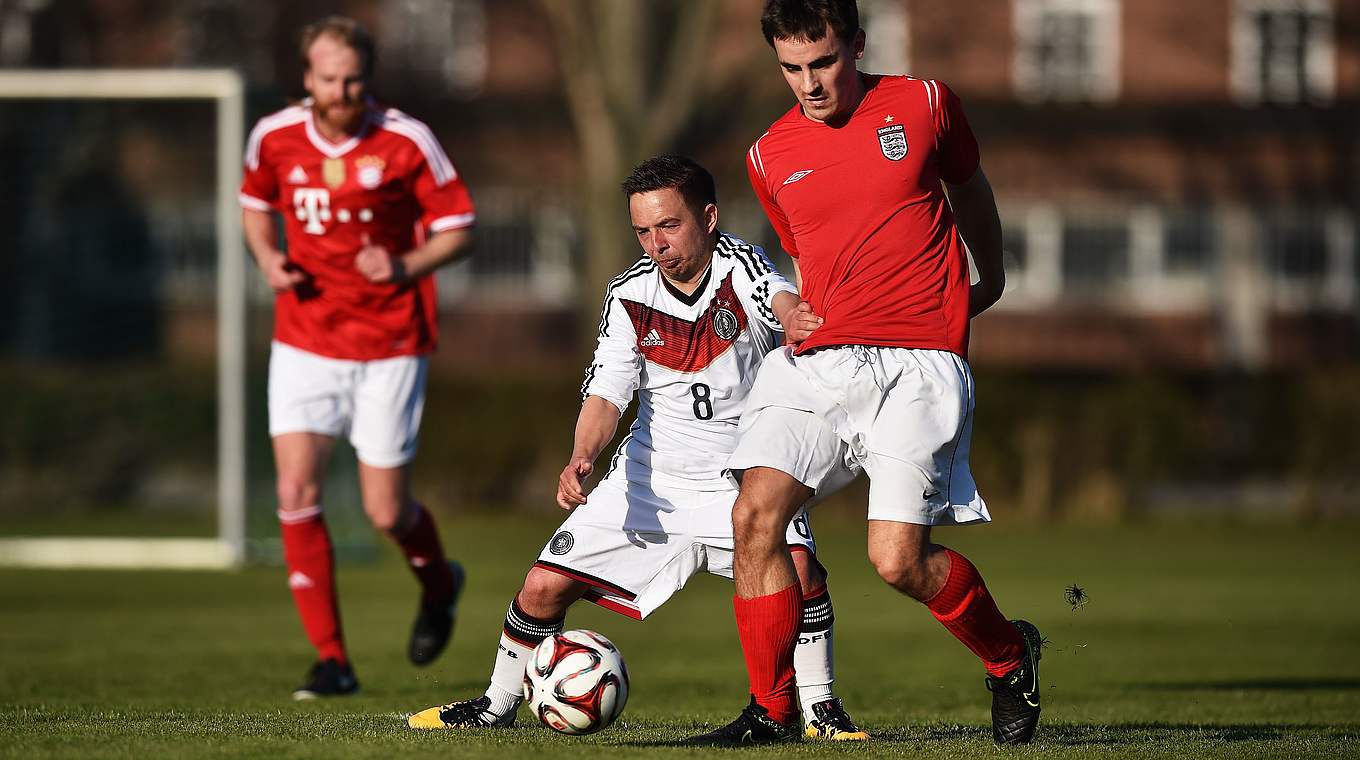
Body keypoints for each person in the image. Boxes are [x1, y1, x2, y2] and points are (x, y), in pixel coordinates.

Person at [407, 155, 866, 740]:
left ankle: (821, 710)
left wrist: (795, 315)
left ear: (708, 216)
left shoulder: (741, 266)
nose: (656, 244)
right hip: (653, 479)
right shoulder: (628, 295)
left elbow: (775, 295)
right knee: (542, 590)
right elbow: (607, 391)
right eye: (643, 231)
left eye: (669, 226)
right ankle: (496, 704)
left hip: (745, 479)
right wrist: (582, 456)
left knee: (801, 573)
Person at [690, 0, 1042, 746]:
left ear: (856, 44)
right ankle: (773, 711)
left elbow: (969, 189)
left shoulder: (923, 102)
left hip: (920, 360)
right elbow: (808, 250)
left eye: (823, 62)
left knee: (896, 561)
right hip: (821, 361)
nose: (809, 83)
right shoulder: (766, 154)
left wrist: (995, 276)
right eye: (791, 68)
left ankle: (1010, 658)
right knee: (755, 516)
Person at [239, 16, 475, 699]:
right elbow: (254, 205)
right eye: (327, 78)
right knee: (295, 491)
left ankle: (439, 583)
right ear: (306, 77)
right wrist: (267, 259)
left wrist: (404, 262)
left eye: (352, 79)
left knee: (382, 511)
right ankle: (333, 661)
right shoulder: (274, 136)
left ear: (368, 80)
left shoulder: (406, 139)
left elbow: (460, 227)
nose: (340, 91)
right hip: (306, 338)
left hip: (390, 342)